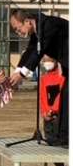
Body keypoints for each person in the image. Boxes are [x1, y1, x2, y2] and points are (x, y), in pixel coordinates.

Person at [9, 9, 69, 153]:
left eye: (17, 28)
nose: (18, 32)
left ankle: (64, 138)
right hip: (68, 65)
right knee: (66, 99)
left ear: (27, 21)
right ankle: (63, 139)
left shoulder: (49, 25)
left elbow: (39, 52)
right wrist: (16, 72)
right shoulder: (38, 30)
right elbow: (30, 50)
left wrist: (22, 74)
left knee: (67, 99)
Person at [40, 55, 69, 166]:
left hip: (59, 117)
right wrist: (44, 113)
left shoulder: (62, 77)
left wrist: (54, 111)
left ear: (56, 61)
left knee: (57, 145)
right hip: (48, 117)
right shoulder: (44, 78)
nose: (46, 63)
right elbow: (43, 98)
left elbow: (61, 97)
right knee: (51, 144)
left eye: (49, 60)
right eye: (44, 60)